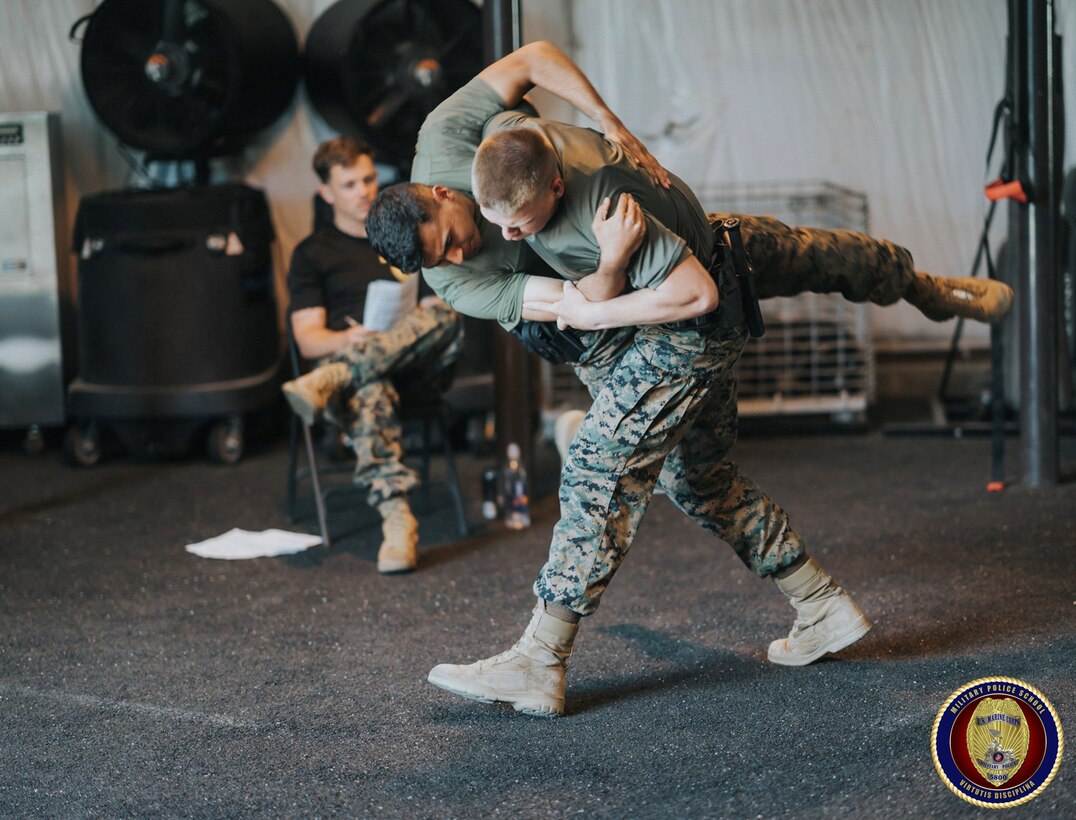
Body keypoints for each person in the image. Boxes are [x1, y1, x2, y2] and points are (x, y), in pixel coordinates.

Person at [363, 43, 1010, 716]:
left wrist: (612, 123)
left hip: (681, 303)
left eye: (453, 238)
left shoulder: (485, 152)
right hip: (618, 319)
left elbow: (533, 58)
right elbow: (578, 309)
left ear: (444, 191)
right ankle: (820, 605)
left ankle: (538, 659)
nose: (466, 252)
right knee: (696, 479)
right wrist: (611, 264)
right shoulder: (453, 274)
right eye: (445, 258)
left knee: (810, 257)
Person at [282, 136, 463, 574]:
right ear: (326, 193)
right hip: (362, 369)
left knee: (446, 314)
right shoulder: (313, 253)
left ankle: (338, 376)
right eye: (348, 185)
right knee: (370, 385)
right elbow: (308, 340)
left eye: (368, 179)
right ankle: (397, 519)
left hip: (417, 361)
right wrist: (348, 341)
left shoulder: (401, 230)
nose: (363, 191)